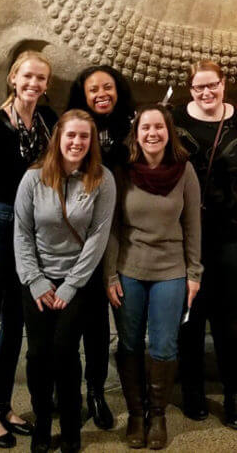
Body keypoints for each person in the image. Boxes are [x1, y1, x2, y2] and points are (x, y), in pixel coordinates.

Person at [0, 50, 59, 447]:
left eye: (41, 79)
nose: (33, 84)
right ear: (13, 79)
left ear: (46, 85)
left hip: (35, 227)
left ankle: (4, 405)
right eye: (27, 77)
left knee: (17, 321)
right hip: (0, 224)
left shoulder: (50, 123)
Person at [14, 109, 115, 453]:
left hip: (79, 280)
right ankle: (43, 422)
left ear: (91, 142)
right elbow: (22, 233)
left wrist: (72, 284)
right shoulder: (33, 179)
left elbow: (98, 237)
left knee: (66, 351)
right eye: (70, 135)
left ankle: (72, 426)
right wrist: (36, 281)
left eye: (84, 137)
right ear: (58, 138)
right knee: (39, 354)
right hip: (39, 279)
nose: (76, 142)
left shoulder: (102, 180)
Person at [173, 61, 237, 430]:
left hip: (234, 232)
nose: (206, 93)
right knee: (189, 315)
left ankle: (233, 394)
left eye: (212, 86)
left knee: (229, 316)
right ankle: (192, 391)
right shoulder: (175, 120)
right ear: (190, 90)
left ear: (224, 85)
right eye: (199, 88)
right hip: (185, 234)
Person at [105, 106, 202, 450]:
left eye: (158, 127)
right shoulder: (122, 172)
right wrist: (110, 275)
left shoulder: (185, 170)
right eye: (146, 127)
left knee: (164, 345)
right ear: (137, 133)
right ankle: (135, 413)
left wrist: (194, 274)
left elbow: (192, 225)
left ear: (168, 132)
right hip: (129, 270)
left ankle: (157, 415)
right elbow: (113, 227)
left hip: (171, 272)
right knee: (130, 343)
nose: (152, 133)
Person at [65, 65, 137, 430]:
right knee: (72, 324)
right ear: (84, 94)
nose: (101, 94)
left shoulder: (134, 124)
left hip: (121, 232)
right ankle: (74, 394)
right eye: (93, 89)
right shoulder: (73, 130)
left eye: (107, 87)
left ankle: (96, 391)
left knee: (97, 323)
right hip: (78, 236)